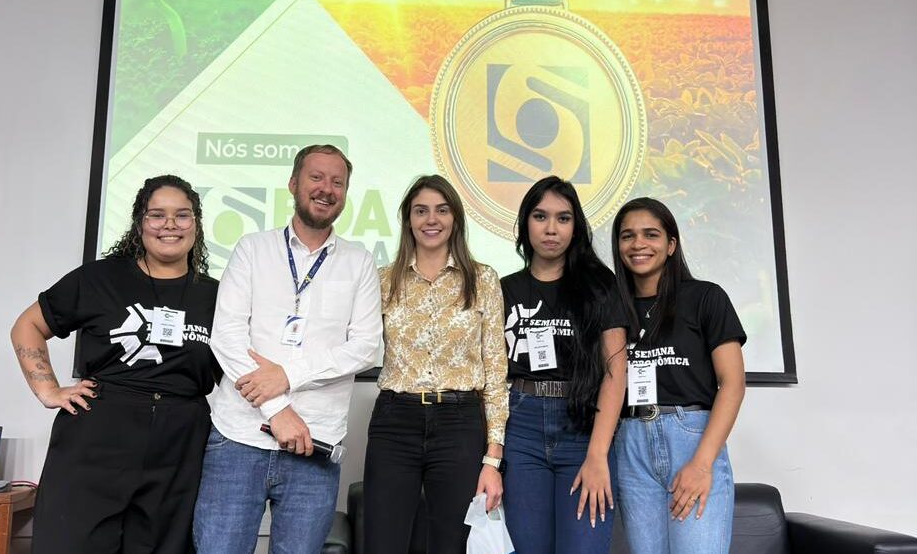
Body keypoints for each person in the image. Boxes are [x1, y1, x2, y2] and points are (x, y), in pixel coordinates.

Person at [11, 175, 219, 554]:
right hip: (100, 434)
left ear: (197, 224)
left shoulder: (217, 295)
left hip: (180, 441)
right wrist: (47, 389)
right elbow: (28, 325)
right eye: (157, 215)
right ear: (140, 223)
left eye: (182, 215)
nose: (170, 225)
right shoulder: (100, 278)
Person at [193, 144, 382, 554]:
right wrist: (277, 409)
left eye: (338, 182)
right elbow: (225, 336)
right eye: (316, 177)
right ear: (294, 184)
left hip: (315, 446)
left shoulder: (359, 261)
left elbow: (367, 348)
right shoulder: (252, 249)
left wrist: (288, 374)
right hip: (237, 440)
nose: (326, 189)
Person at [363, 174, 509, 554]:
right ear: (408, 219)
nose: (432, 219)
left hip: (459, 424)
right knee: (383, 541)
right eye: (421, 210)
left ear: (456, 218)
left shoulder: (483, 280)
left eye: (442, 210)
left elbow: (495, 373)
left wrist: (493, 459)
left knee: (453, 544)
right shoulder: (383, 281)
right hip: (396, 421)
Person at [610, 197, 746, 554]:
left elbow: (732, 384)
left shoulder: (705, 297)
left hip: (692, 438)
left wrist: (702, 464)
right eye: (628, 236)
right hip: (631, 444)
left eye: (650, 234)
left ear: (671, 244)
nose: (638, 244)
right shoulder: (612, 308)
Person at [500, 176, 627, 554]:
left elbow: (616, 372)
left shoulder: (599, 287)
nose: (551, 228)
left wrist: (598, 454)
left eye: (563, 218)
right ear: (525, 223)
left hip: (584, 428)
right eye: (540, 216)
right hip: (520, 426)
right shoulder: (503, 289)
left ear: (576, 228)